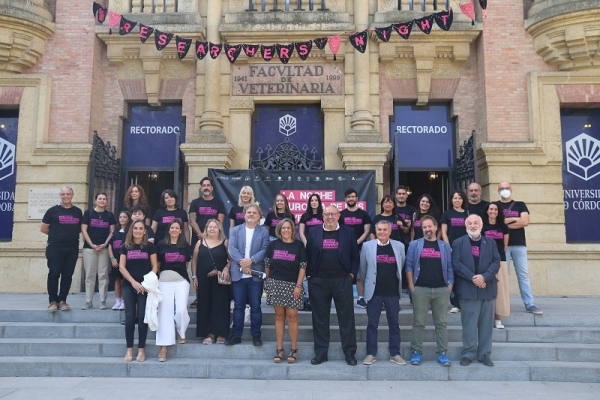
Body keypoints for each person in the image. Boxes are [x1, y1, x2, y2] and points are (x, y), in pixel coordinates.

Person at [305, 205, 359, 366]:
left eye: (333, 214)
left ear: (338, 215)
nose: (329, 217)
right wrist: (309, 275)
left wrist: (351, 275)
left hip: (342, 280)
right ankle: (321, 353)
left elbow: (355, 256)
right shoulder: (313, 232)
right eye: (327, 214)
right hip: (318, 281)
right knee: (320, 319)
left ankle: (349, 352)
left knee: (346, 318)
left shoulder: (348, 232)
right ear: (322, 216)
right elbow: (307, 255)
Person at [452, 214, 500, 367]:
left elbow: (496, 262)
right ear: (466, 226)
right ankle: (468, 353)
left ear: (481, 225)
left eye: (475, 223)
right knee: (469, 326)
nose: (473, 225)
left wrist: (484, 277)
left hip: (487, 289)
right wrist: (474, 277)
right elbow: (456, 264)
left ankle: (484, 354)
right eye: (470, 223)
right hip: (468, 289)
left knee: (486, 326)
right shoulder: (458, 242)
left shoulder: (491, 242)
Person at [405, 215, 453, 367]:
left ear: (436, 227)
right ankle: (416, 352)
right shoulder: (414, 244)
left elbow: (450, 267)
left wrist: (449, 286)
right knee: (419, 322)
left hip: (441, 289)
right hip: (421, 289)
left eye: (429, 226)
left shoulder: (444, 246)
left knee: (441, 323)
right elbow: (409, 266)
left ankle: (442, 353)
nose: (427, 229)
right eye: (424, 227)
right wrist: (412, 287)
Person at [359, 220, 406, 366]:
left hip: (392, 292)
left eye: (385, 230)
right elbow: (363, 269)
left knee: (394, 324)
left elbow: (401, 265)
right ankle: (371, 354)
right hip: (374, 293)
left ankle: (395, 354)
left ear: (390, 231)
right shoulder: (367, 246)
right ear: (375, 230)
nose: (382, 232)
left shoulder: (399, 246)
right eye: (379, 229)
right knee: (372, 324)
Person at [264, 219, 307, 363]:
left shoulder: (299, 245)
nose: (286, 230)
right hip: (276, 284)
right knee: (279, 316)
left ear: (292, 230)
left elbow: (302, 266)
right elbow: (267, 264)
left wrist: (298, 285)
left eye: (288, 228)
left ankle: (294, 349)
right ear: (279, 230)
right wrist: (268, 281)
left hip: (293, 285)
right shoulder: (273, 244)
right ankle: (279, 349)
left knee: (292, 316)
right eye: (283, 228)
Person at [227, 204, 270, 346]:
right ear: (244, 215)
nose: (251, 215)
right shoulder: (236, 230)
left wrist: (250, 261)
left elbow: (265, 249)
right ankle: (236, 335)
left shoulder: (263, 232)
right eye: (249, 212)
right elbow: (231, 247)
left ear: (259, 216)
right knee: (238, 306)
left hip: (255, 275)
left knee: (256, 306)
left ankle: (256, 336)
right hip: (238, 274)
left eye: (254, 213)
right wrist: (242, 264)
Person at [497, 181, 542, 315]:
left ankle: (530, 304)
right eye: (502, 188)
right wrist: (515, 219)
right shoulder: (496, 205)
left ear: (511, 189)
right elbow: (496, 222)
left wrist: (505, 223)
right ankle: (502, 304)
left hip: (519, 245)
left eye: (507, 188)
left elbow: (525, 221)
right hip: (503, 246)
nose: (505, 190)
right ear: (498, 190)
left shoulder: (520, 204)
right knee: (503, 276)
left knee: (523, 275)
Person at [119, 220, 159, 363]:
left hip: (145, 287)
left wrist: (146, 282)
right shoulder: (125, 246)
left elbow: (155, 267)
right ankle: (129, 349)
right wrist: (134, 283)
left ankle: (141, 349)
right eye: (135, 228)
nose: (137, 231)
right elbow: (122, 267)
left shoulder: (150, 247)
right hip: (129, 285)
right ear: (132, 230)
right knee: (130, 317)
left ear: (144, 231)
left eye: (140, 228)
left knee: (143, 317)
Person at [40, 186, 83, 312]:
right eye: (63, 194)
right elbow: (43, 228)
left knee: (67, 275)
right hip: (55, 247)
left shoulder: (78, 211)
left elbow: (79, 228)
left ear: (72, 195)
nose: (65, 196)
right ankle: (52, 301)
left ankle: (62, 300)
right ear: (60, 196)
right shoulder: (52, 211)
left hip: (72, 248)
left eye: (68, 194)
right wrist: (57, 236)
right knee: (54, 274)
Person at [156, 220, 192, 362]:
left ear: (181, 230)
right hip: (164, 281)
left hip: (181, 281)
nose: (175, 229)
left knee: (181, 310)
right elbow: (158, 265)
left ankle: (180, 330)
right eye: (172, 227)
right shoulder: (161, 245)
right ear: (169, 229)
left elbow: (186, 263)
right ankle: (163, 348)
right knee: (164, 314)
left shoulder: (185, 246)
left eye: (177, 228)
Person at [193, 219, 232, 345]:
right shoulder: (200, 243)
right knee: (205, 305)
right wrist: (194, 277)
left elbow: (232, 259)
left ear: (219, 229)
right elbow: (194, 261)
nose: (212, 229)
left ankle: (221, 333)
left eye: (215, 227)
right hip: (203, 279)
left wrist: (226, 267)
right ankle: (209, 333)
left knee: (220, 305)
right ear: (206, 228)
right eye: (210, 227)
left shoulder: (225, 242)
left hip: (220, 280)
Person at [189, 177, 226, 308]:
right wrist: (201, 235)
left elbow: (220, 222)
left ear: (212, 188)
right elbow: (192, 220)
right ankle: (199, 298)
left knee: (214, 267)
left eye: (208, 185)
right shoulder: (195, 202)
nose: (206, 187)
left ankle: (214, 298)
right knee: (199, 268)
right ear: (201, 188)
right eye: (203, 185)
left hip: (215, 240)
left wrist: (211, 235)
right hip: (198, 240)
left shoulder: (219, 203)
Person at [81, 192, 116, 310]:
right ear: (95, 201)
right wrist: (92, 245)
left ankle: (102, 301)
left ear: (106, 202)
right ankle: (88, 301)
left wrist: (105, 244)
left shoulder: (110, 215)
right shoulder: (88, 213)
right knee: (90, 275)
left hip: (104, 249)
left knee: (103, 275)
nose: (102, 201)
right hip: (89, 248)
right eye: (100, 199)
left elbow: (112, 232)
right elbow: (84, 230)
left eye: (104, 199)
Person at [339, 188, 372, 309]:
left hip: (360, 249)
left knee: (359, 274)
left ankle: (361, 298)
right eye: (349, 197)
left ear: (357, 199)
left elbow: (367, 231)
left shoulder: (363, 214)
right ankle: (343, 298)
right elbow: (339, 232)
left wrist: (356, 242)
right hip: (344, 249)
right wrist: (348, 245)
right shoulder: (340, 215)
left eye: (353, 196)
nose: (351, 198)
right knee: (344, 274)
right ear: (345, 199)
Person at [482, 202, 510, 329]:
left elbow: (504, 246)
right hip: (485, 261)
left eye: (495, 209)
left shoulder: (503, 227)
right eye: (490, 209)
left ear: (498, 212)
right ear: (487, 211)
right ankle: (485, 318)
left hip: (500, 261)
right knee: (485, 288)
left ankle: (498, 319)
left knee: (500, 290)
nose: (493, 211)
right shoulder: (482, 226)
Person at [440, 190, 469, 314]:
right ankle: (455, 303)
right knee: (453, 276)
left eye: (459, 198)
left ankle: (466, 301)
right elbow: (444, 232)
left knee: (465, 274)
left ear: (463, 200)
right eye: (455, 198)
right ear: (451, 200)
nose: (457, 200)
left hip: (466, 249)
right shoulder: (447, 213)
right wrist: (448, 246)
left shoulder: (468, 214)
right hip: (452, 249)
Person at [108, 211, 131, 310]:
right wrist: (112, 258)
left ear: (128, 219)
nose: (122, 219)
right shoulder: (115, 232)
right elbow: (110, 245)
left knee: (125, 280)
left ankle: (125, 300)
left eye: (124, 217)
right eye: (120, 217)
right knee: (117, 279)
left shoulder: (130, 232)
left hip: (126, 260)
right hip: (115, 260)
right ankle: (118, 300)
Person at [395, 185, 416, 252]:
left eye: (403, 194)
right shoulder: (392, 209)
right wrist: (406, 222)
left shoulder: (413, 209)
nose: (401, 196)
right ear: (396, 195)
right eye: (399, 194)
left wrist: (409, 222)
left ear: (407, 195)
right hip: (394, 240)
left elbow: (414, 225)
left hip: (408, 241)